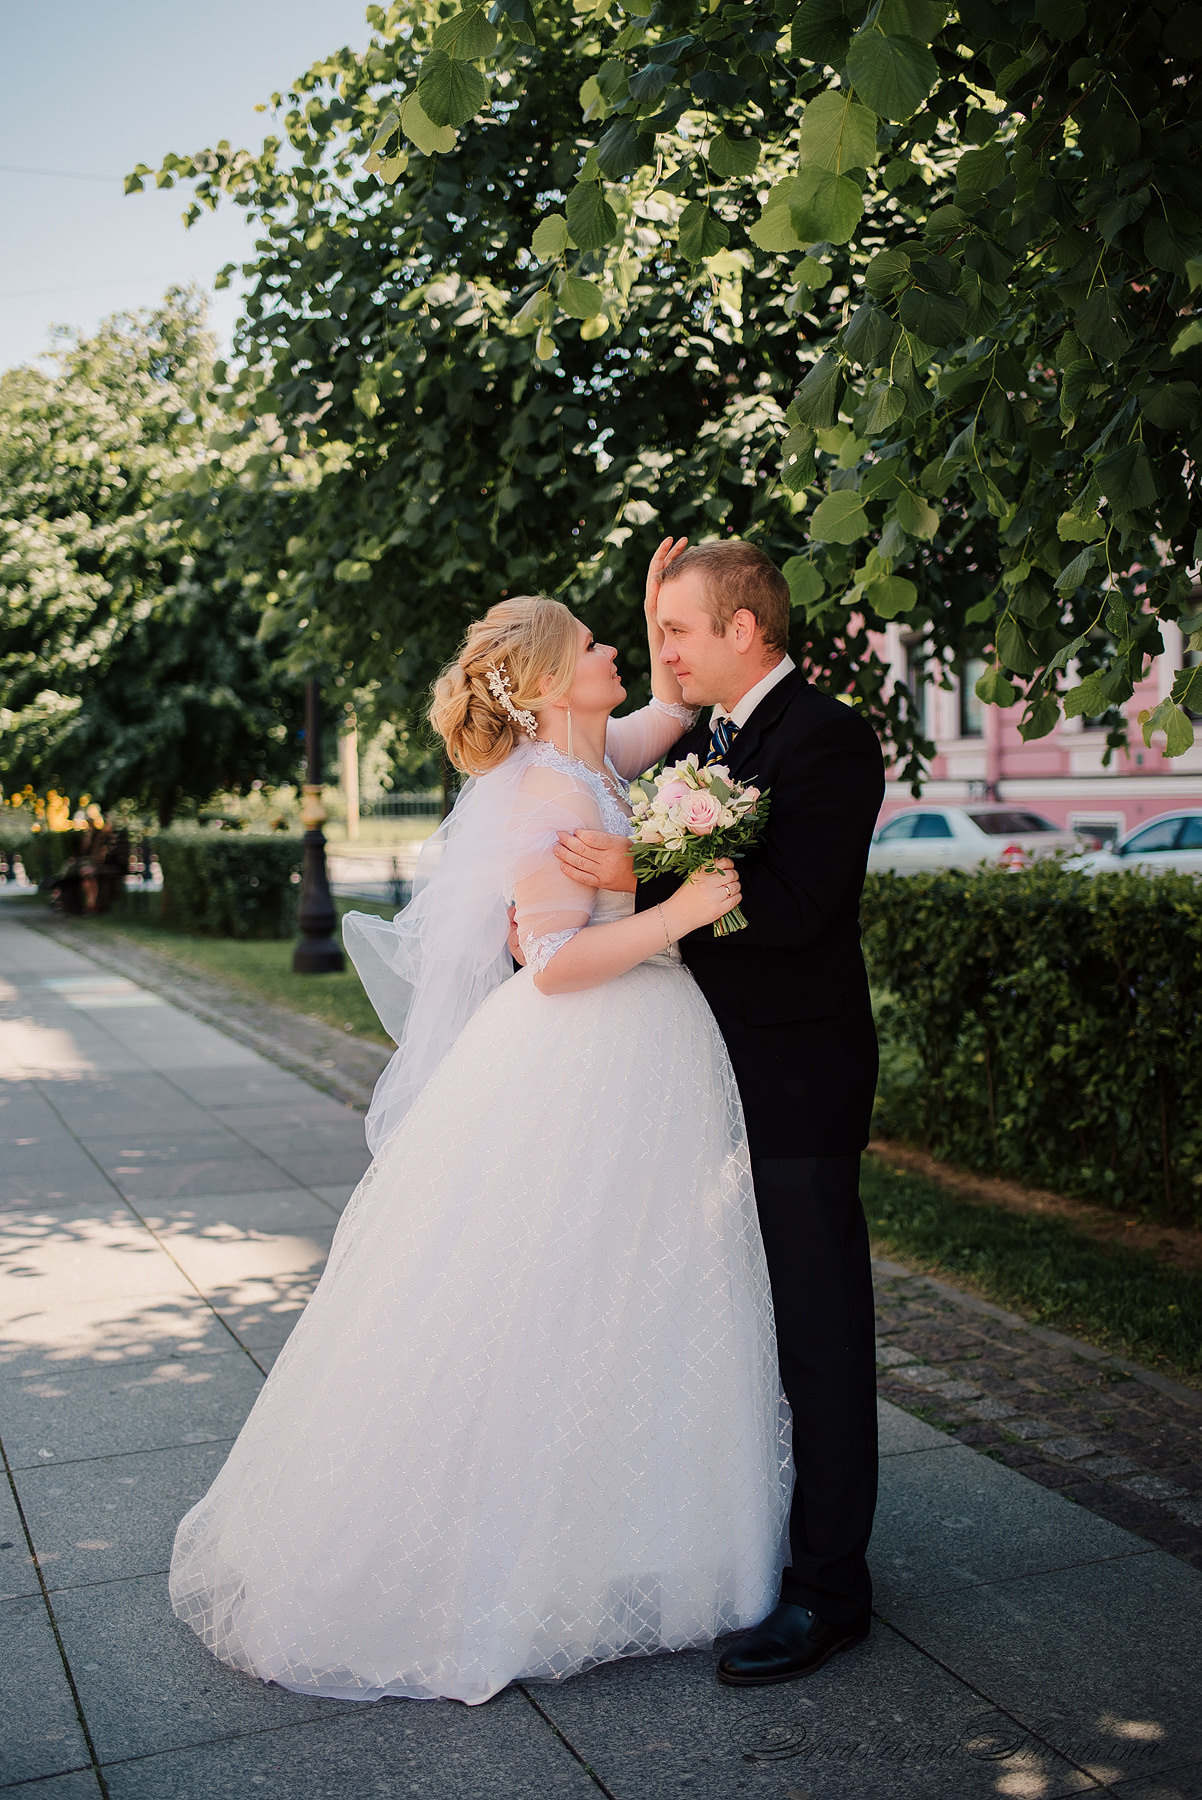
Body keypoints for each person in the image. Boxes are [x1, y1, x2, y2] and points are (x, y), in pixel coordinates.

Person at [167, 569, 790, 1706]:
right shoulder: (537, 797)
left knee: (637, 1292)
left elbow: (665, 715)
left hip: (646, 1059)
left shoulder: (583, 763)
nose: (618, 654)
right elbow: (552, 968)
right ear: (553, 681)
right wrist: (680, 912)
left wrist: (662, 626)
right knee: (550, 1295)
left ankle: (634, 1536)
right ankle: (514, 1552)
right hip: (586, 1057)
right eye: (602, 643)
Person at [554, 537, 885, 1686]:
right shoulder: (701, 736)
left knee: (819, 1327)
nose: (668, 654)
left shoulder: (830, 738)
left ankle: (830, 1591)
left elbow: (792, 907)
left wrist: (640, 882)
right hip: (693, 1081)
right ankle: (745, 1537)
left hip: (795, 1078)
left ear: (745, 629)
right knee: (729, 1319)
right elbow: (587, 757)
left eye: (681, 633)